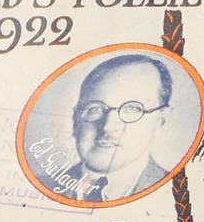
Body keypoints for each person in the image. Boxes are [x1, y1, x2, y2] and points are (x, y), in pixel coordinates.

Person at [53, 53, 174, 202]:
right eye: (94, 109)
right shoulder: (41, 186)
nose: (108, 126)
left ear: (161, 120)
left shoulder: (177, 193)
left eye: (132, 109)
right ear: (75, 119)